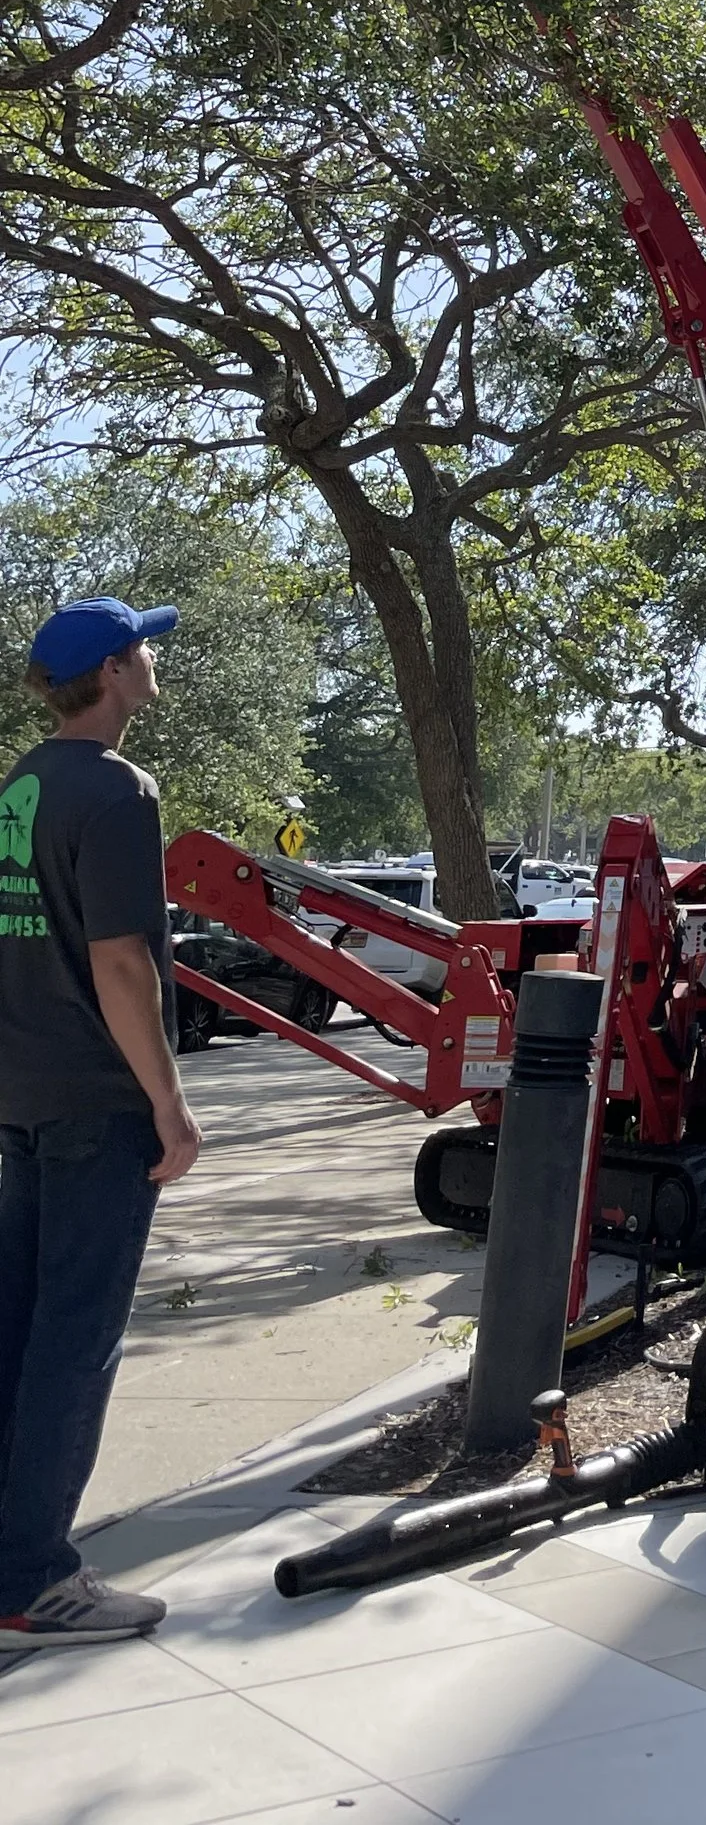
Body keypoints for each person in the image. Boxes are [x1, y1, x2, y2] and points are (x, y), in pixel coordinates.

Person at [0, 598, 199, 1646]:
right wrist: (168, 1103)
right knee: (77, 1341)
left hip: (24, 1095)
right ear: (116, 671)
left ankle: (8, 1561)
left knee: (19, 1332)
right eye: (146, 649)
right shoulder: (117, 791)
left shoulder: (20, 787)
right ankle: (36, 1581)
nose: (154, 661)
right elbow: (122, 963)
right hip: (96, 1102)